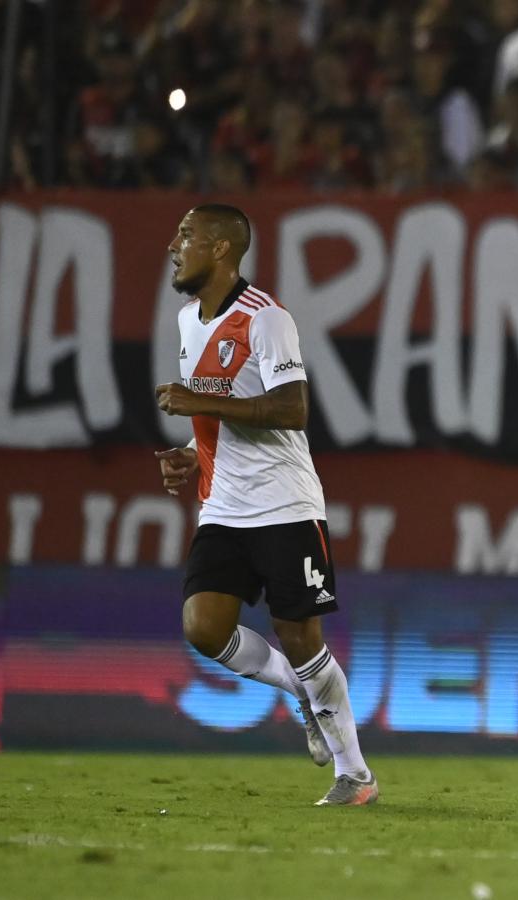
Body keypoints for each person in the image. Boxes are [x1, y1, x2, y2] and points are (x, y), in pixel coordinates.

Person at [153, 204, 377, 807]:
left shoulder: (266, 319)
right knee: (204, 626)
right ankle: (298, 693)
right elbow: (224, 419)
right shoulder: (186, 322)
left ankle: (355, 775)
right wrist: (191, 457)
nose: (175, 245)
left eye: (188, 235)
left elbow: (290, 410)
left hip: (284, 505)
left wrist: (198, 397)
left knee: (299, 636)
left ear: (222, 249)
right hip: (223, 504)